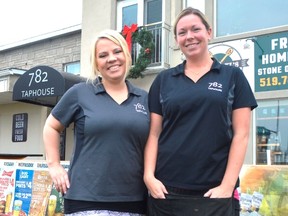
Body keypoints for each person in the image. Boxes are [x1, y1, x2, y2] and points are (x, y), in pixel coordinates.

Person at [143, 7, 257, 216]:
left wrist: (227, 186)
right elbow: (154, 133)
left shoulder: (232, 76)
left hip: (215, 195)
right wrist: (149, 177)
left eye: (195, 29)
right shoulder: (163, 80)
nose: (189, 37)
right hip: (167, 193)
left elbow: (241, 135)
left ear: (209, 32)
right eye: (182, 32)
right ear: (176, 39)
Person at [43, 29, 150, 216]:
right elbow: (51, 126)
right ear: (96, 63)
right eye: (103, 55)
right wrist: (54, 165)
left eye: (117, 51)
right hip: (85, 200)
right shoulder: (80, 92)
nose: (112, 59)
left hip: (134, 200)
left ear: (126, 54)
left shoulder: (145, 99)